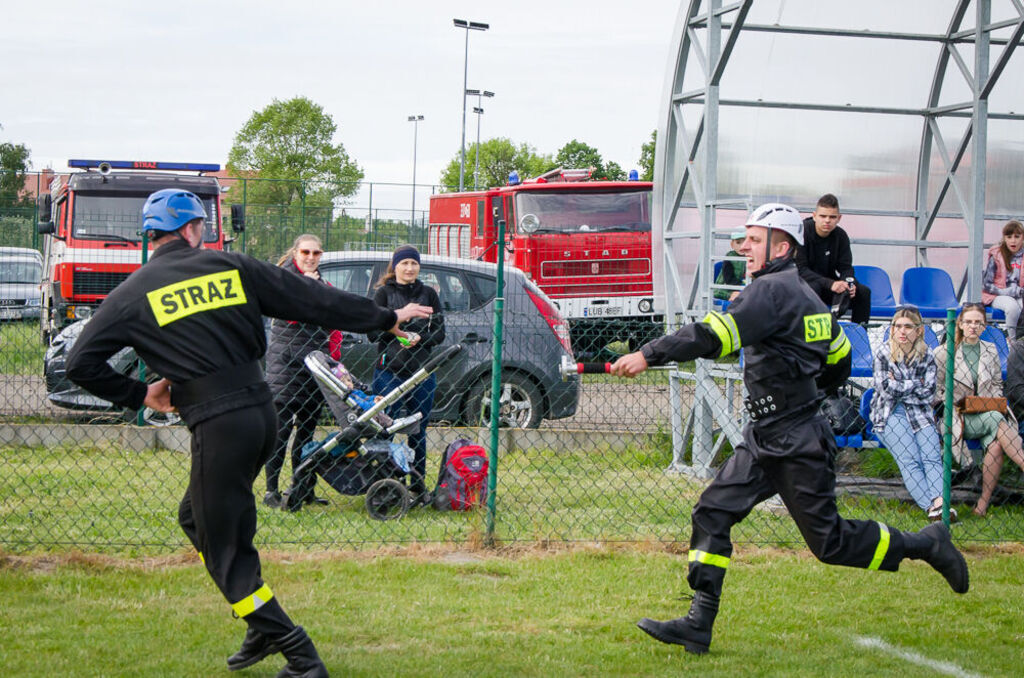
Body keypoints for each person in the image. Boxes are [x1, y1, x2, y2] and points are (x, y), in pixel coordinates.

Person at [65, 189, 432, 677]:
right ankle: (259, 625)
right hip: (264, 413)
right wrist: (387, 317)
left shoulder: (133, 293)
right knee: (201, 518)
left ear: (150, 235)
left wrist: (140, 395)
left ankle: (299, 655)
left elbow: (79, 364)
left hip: (219, 426)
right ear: (196, 229)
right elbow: (314, 298)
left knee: (220, 543)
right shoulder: (231, 265)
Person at [609, 202, 969, 655]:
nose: (744, 248)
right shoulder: (808, 296)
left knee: (830, 543)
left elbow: (709, 335)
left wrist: (648, 354)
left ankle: (926, 544)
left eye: (754, 240)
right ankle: (698, 622)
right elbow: (837, 360)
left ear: (781, 246)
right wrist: (808, 393)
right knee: (713, 511)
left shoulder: (769, 292)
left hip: (795, 439)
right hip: (769, 434)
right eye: (744, 239)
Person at [368, 245, 445, 507]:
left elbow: (440, 333)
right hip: (389, 372)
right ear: (395, 266)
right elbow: (372, 333)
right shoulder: (383, 294)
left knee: (418, 430)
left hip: (422, 372)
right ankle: (384, 484)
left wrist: (420, 337)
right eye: (404, 263)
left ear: (419, 266)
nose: (409, 268)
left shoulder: (429, 295)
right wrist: (398, 331)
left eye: (413, 263)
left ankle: (417, 485)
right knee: (385, 428)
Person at [264, 234, 334, 511]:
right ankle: (271, 490)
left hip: (313, 367)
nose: (311, 257)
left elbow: (331, 317)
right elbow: (291, 312)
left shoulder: (321, 282)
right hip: (286, 368)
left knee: (306, 435)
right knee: (279, 434)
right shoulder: (285, 279)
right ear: (296, 252)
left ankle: (302, 487)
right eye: (306, 252)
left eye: (316, 253)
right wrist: (312, 290)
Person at [934, 303, 1024, 517]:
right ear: (960, 324)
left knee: (995, 447)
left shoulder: (990, 350)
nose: (973, 326)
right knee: (996, 418)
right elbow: (937, 391)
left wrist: (986, 401)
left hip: (985, 411)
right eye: (968, 322)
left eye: (978, 323)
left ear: (984, 326)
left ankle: (982, 506)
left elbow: (996, 385)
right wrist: (961, 403)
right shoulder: (942, 353)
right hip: (956, 415)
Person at [869, 306, 950, 520]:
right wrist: (915, 383)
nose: (902, 331)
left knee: (932, 457)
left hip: (920, 413)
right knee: (911, 458)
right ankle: (930, 507)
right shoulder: (883, 352)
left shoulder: (927, 355)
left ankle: (940, 502)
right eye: (897, 326)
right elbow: (884, 389)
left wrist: (900, 385)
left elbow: (928, 393)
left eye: (908, 327)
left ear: (919, 330)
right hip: (889, 413)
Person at [795, 193, 872, 323]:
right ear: (814, 216)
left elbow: (845, 267)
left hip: (828, 286)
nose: (827, 220)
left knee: (863, 292)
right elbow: (801, 270)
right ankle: (810, 340)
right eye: (823, 216)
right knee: (814, 288)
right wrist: (831, 284)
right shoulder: (802, 232)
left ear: (839, 218)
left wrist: (849, 283)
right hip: (802, 286)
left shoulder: (840, 236)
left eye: (832, 217)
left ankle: (860, 336)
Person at [981, 219, 1024, 339]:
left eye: (1017, 236)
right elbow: (987, 285)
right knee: (1012, 308)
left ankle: (1022, 339)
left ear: (1023, 238)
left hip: (1020, 295)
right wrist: (1009, 291)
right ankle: (1013, 341)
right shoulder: (996, 255)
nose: (1013, 240)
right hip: (996, 295)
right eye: (1009, 237)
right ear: (1004, 238)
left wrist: (1019, 291)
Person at [713, 229, 746, 301]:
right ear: (732, 244)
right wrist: (740, 286)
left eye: (744, 243)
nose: (741, 246)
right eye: (738, 243)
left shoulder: (749, 256)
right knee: (737, 296)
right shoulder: (729, 257)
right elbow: (728, 278)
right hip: (725, 287)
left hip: (741, 286)